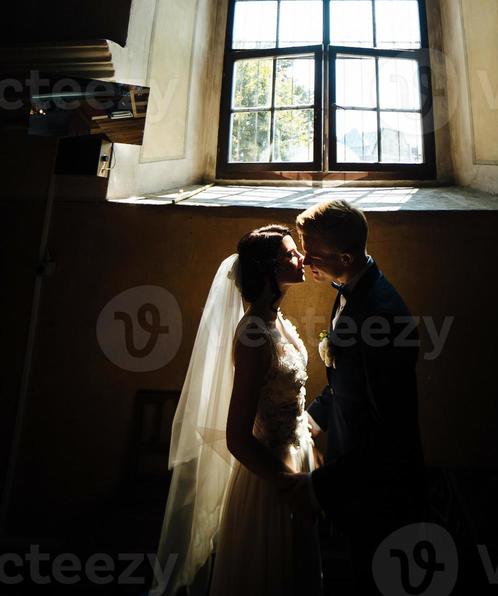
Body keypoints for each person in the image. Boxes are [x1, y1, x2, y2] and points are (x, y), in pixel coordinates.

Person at [150, 224, 322, 596]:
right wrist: (289, 484)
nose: (301, 258)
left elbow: (284, 393)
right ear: (269, 269)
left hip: (298, 454)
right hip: (270, 475)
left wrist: (308, 429)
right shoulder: (253, 335)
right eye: (291, 254)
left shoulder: (277, 321)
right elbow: (237, 438)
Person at [279, 200, 427, 595]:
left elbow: (387, 432)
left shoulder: (380, 314)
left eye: (311, 254)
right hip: (355, 475)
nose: (306, 261)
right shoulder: (350, 288)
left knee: (376, 578)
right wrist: (315, 417)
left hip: (380, 487)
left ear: (344, 256)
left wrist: (318, 487)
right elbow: (348, 380)